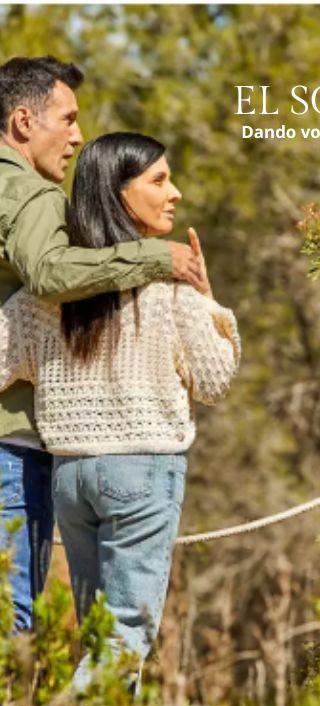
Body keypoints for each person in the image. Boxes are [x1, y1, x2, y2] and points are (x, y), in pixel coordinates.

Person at [0, 131, 240, 690]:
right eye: (159, 180)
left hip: (69, 477)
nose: (174, 193)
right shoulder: (168, 291)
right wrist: (207, 296)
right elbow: (214, 380)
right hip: (142, 471)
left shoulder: (45, 297)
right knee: (122, 638)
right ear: (118, 194)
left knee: (99, 632)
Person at [0, 55, 207, 632]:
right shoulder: (34, 197)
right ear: (23, 121)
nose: (77, 136)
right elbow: (48, 272)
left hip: (61, 466)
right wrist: (156, 258)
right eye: (66, 119)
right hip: (13, 448)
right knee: (16, 619)